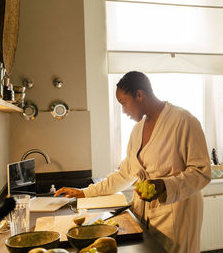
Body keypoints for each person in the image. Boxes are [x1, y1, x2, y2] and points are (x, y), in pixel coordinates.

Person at [55, 71, 211, 253]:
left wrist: (165, 186)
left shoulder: (184, 121)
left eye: (123, 102)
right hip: (144, 216)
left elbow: (201, 172)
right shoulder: (137, 130)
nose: (123, 110)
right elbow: (124, 174)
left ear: (139, 95)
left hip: (176, 217)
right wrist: (84, 193)